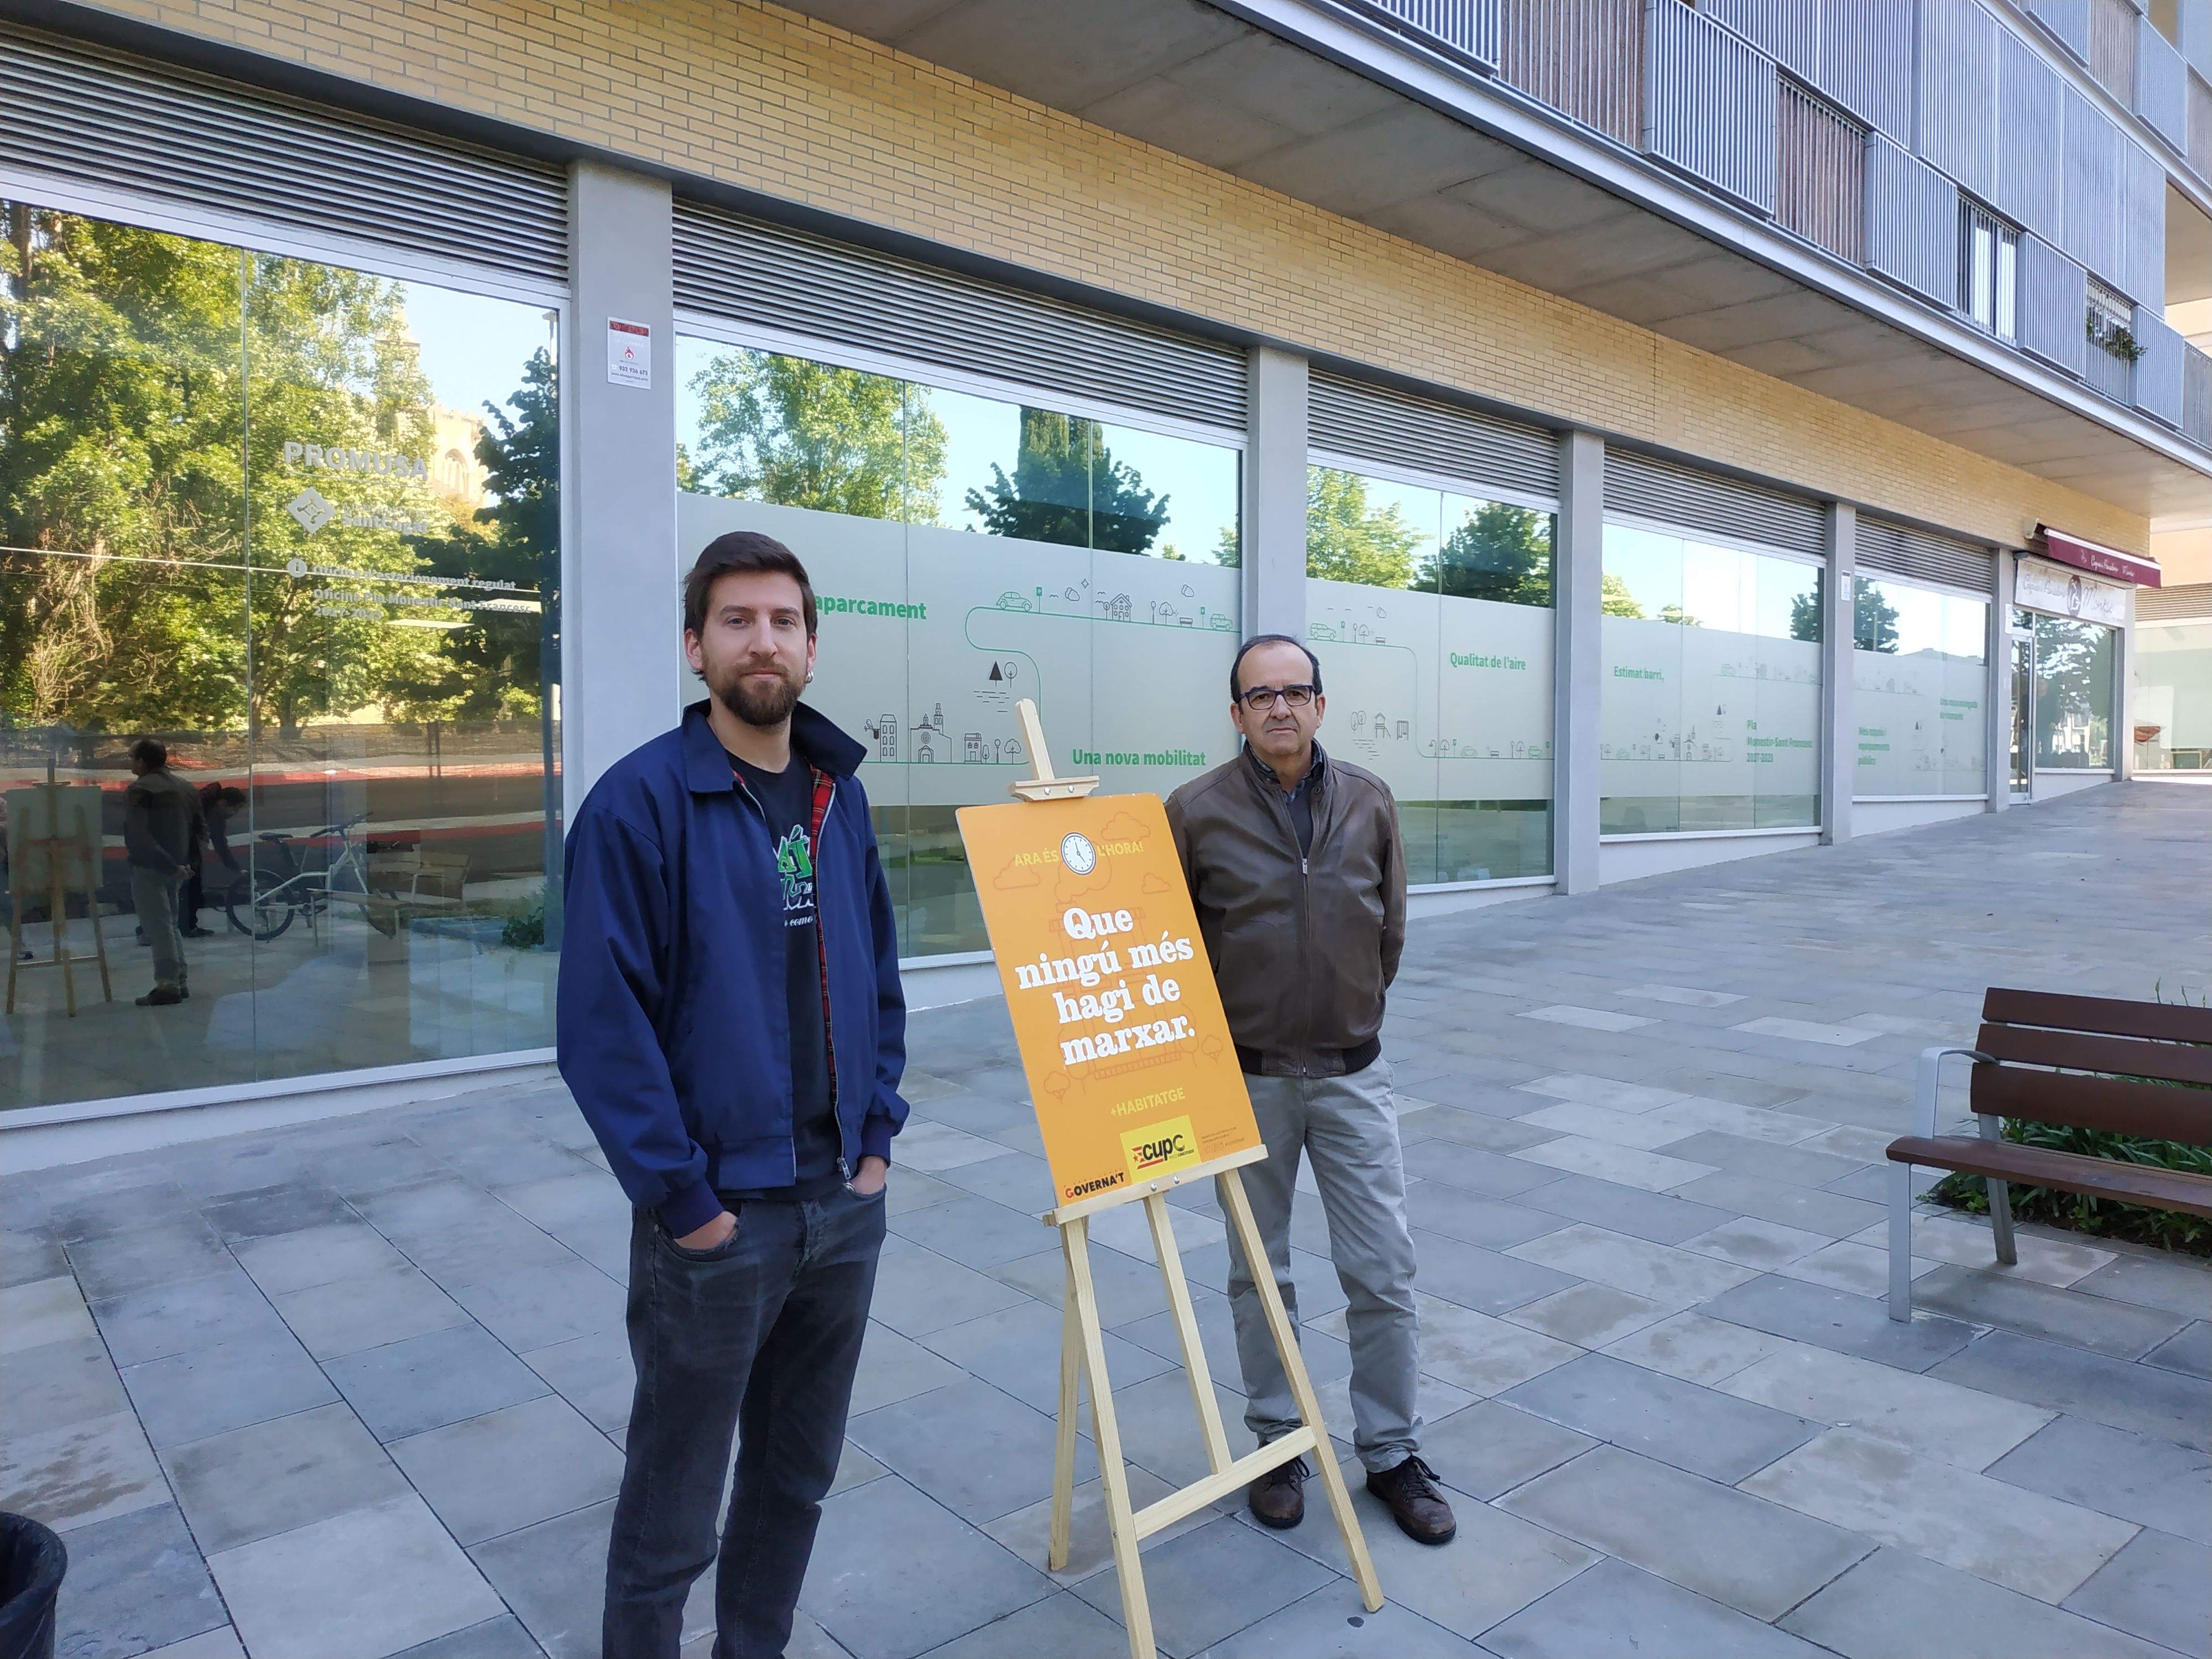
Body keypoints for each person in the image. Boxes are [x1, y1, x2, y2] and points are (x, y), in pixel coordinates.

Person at [559, 531, 909, 1659]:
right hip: (720, 1224)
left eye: (783, 621)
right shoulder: (638, 806)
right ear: (694, 647)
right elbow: (600, 1033)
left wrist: (875, 1142)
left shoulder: (834, 796)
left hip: (842, 1207)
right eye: (737, 621)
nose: (763, 641)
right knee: (672, 1514)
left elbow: (879, 980)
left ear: (812, 646)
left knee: (794, 1483)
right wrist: (685, 1201)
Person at [1165, 634, 1456, 1546]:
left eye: (1296, 692)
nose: (1280, 708)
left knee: (1383, 1270)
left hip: (1350, 1075)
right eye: (1261, 696)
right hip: (1246, 1079)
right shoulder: (1196, 811)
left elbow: (1389, 931)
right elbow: (1176, 945)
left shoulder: (1370, 801)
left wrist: (1346, 1008)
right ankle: (1279, 1443)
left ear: (1321, 705)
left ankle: (1392, 1452)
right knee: (1261, 1275)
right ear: (1237, 712)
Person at [122, 739, 203, 1007]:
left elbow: (139, 836)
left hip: (151, 867)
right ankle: (180, 980)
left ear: (142, 761)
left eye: (132, 757)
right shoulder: (186, 788)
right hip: (179, 868)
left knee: (158, 927)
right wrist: (187, 865)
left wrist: (168, 864)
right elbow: (199, 831)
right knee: (171, 925)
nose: (130, 762)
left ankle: (168, 985)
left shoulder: (140, 790)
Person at [184, 784, 246, 936]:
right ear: (223, 803)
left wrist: (236, 868)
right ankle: (184, 927)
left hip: (191, 854)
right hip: (182, 852)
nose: (235, 813)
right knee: (188, 890)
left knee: (193, 890)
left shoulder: (216, 818)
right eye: (235, 808)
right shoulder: (199, 810)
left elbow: (221, 845)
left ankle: (187, 926)